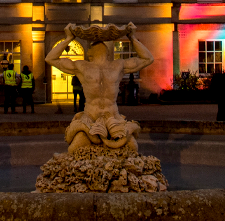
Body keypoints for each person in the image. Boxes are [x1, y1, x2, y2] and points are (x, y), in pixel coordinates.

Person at [46, 23, 153, 152]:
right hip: (90, 118)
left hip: (113, 118)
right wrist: (132, 38)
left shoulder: (116, 66)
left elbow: (148, 59)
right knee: (75, 149)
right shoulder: (84, 66)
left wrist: (132, 37)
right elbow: (50, 59)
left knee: (132, 147)